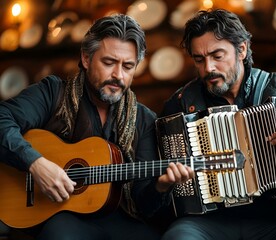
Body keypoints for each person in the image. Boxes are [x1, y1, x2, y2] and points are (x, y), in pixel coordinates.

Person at [155, 9, 276, 240]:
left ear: (242, 50)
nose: (208, 68)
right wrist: (167, 183)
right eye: (199, 59)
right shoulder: (179, 105)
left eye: (217, 56)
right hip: (205, 221)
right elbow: (159, 189)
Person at [0, 14, 163, 240]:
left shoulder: (143, 120)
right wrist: (35, 164)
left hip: (119, 218)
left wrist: (161, 186)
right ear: (86, 58)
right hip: (56, 215)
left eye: (128, 66)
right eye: (109, 62)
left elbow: (143, 202)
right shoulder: (52, 94)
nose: (118, 75)